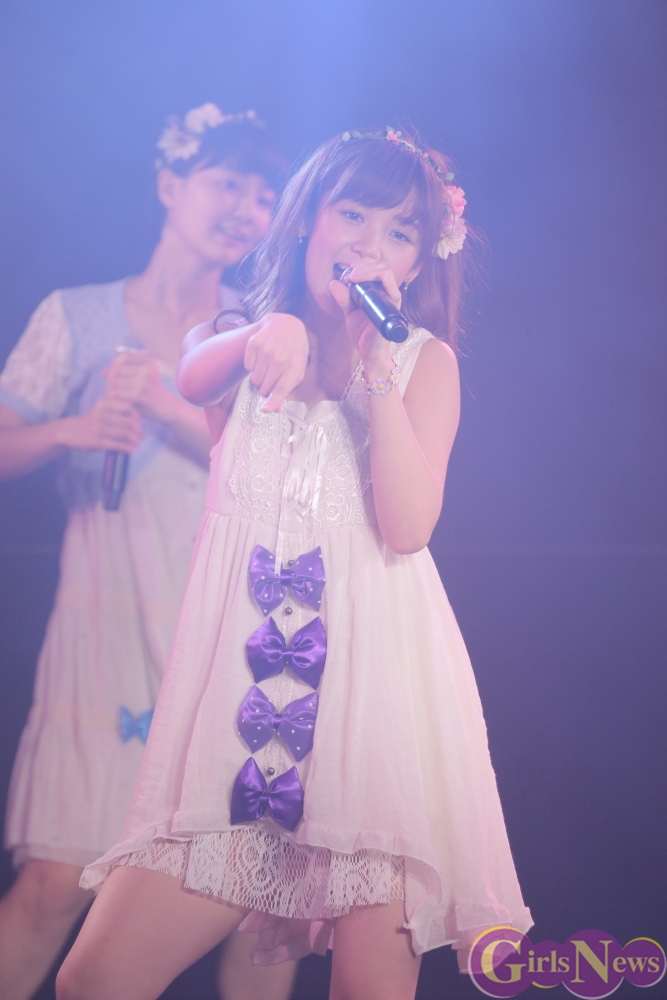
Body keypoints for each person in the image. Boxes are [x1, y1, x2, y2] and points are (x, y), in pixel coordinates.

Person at [56, 125, 533, 1000]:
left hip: (373, 717)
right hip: (235, 729)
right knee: (95, 980)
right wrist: (265, 328)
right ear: (308, 217)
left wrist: (376, 371)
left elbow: (408, 526)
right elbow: (194, 377)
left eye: (399, 232)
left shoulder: (425, 364)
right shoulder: (235, 340)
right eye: (353, 215)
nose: (370, 245)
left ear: (419, 260)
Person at [0, 104, 298, 1000]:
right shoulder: (79, 315)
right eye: (227, 183)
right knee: (54, 885)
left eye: (263, 195)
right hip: (103, 627)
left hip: (230, 636)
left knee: (251, 908)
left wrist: (167, 406)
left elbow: (290, 475)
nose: (245, 208)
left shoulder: (263, 330)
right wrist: (73, 429)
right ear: (169, 185)